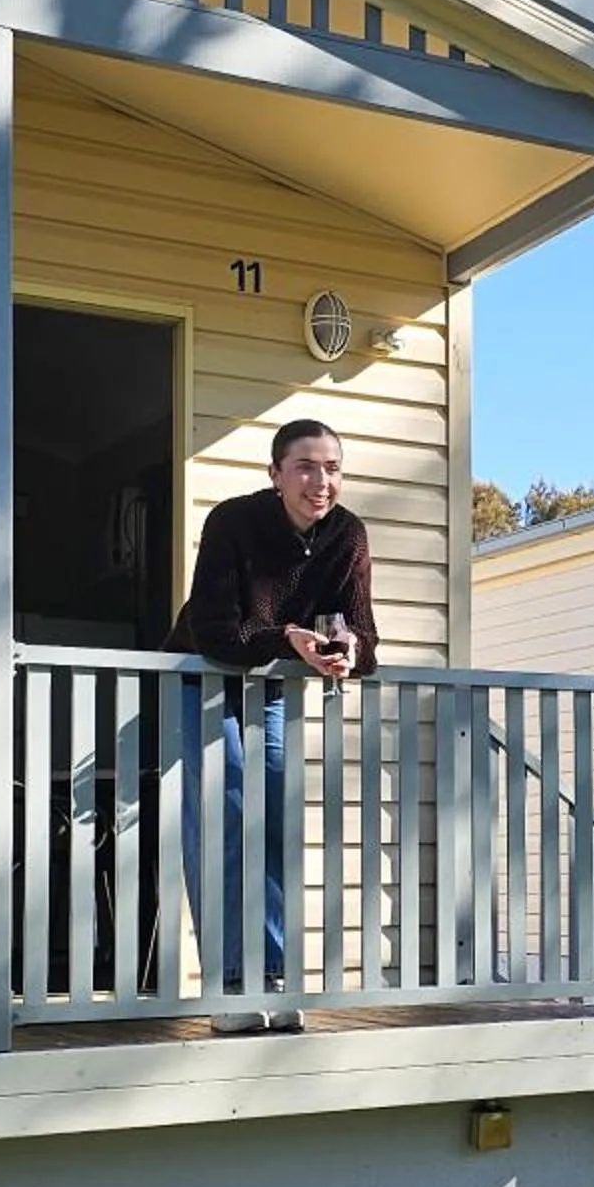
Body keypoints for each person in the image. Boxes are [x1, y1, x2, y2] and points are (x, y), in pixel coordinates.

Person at [167, 418, 379, 1034]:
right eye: (306, 467)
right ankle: (230, 987)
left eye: (332, 468)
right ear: (276, 474)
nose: (321, 481)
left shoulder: (347, 533)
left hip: (272, 689)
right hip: (206, 681)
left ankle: (275, 977)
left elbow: (366, 635)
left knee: (276, 826)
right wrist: (285, 637)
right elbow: (214, 631)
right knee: (225, 817)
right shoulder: (233, 522)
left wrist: (348, 649)